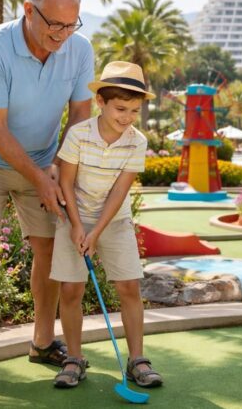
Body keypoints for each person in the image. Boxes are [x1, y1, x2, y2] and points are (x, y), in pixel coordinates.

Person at [0, 0, 93, 387]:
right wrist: (38, 176)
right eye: (55, 24)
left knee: (48, 245)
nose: (64, 34)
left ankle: (44, 341)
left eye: (72, 24)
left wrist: (59, 170)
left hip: (44, 157)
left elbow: (81, 116)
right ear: (29, 11)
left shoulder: (79, 49)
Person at [51, 61, 162, 389]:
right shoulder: (79, 134)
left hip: (114, 219)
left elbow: (119, 191)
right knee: (71, 288)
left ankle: (137, 360)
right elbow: (66, 183)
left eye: (134, 110)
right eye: (120, 108)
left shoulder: (136, 141)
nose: (127, 117)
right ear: (100, 102)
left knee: (129, 286)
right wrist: (76, 226)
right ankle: (74, 358)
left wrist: (97, 231)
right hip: (74, 213)